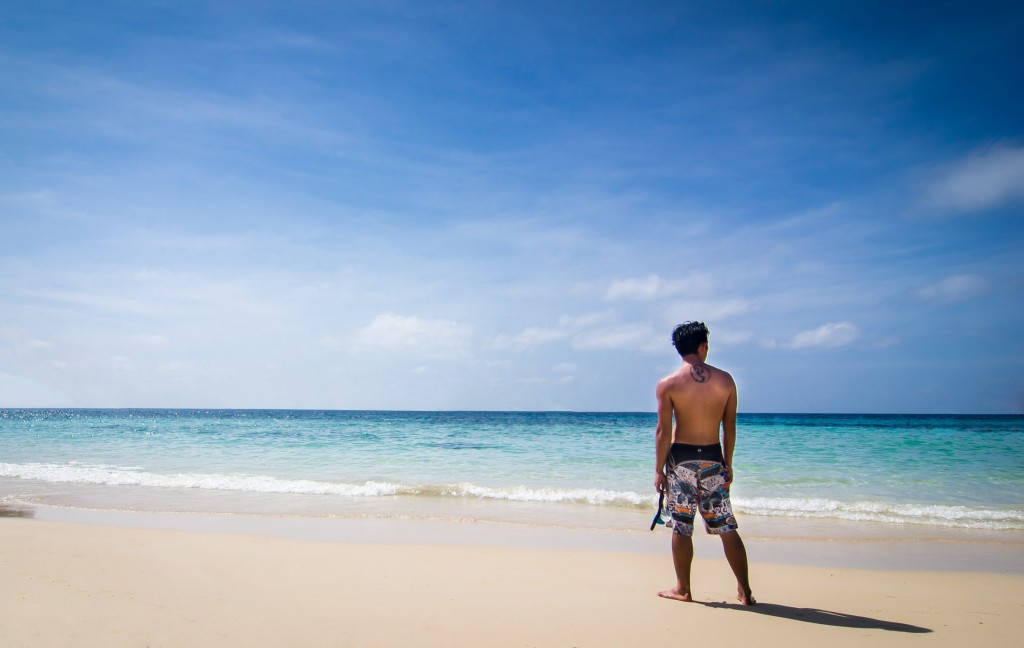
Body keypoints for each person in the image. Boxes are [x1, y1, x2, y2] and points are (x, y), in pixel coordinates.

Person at [654, 321, 755, 605]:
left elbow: (663, 432)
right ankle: (745, 591)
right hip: (713, 458)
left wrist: (658, 469)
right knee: (726, 527)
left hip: (681, 461)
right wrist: (728, 463)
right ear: (703, 346)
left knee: (682, 527)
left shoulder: (668, 384)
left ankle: (683, 589)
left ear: (678, 349)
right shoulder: (726, 381)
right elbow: (730, 427)